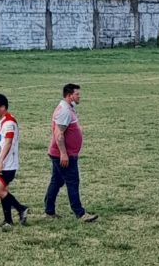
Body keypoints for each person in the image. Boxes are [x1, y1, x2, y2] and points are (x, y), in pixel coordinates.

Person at [44, 83, 98, 222]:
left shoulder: (68, 108)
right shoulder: (65, 111)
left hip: (61, 153)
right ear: (69, 96)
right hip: (63, 155)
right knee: (73, 182)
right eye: (77, 94)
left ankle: (49, 211)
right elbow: (59, 134)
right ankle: (80, 213)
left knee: (56, 181)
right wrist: (63, 153)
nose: (79, 96)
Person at [0, 94, 28, 230]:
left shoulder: (9, 123)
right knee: (3, 191)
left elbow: (8, 143)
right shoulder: (2, 121)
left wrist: (0, 161)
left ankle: (21, 208)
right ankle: (8, 221)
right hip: (1, 163)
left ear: (3, 107)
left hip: (7, 164)